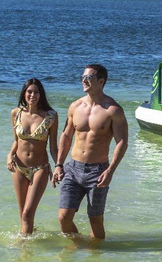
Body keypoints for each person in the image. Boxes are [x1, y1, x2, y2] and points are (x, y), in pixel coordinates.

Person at [53, 64, 128, 240]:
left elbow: (122, 142)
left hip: (98, 171)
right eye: (82, 77)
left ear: (101, 81)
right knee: (63, 218)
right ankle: (76, 247)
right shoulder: (75, 106)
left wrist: (110, 171)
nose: (83, 80)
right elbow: (66, 136)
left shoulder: (113, 110)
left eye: (88, 78)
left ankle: (96, 260)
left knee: (95, 220)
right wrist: (58, 164)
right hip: (73, 168)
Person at [7, 78, 59, 235]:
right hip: (19, 167)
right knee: (23, 214)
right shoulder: (15, 114)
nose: (32, 95)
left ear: (41, 95)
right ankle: (28, 250)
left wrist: (58, 166)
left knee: (27, 214)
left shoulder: (51, 116)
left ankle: (23, 250)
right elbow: (16, 141)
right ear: (24, 93)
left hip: (40, 168)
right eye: (29, 92)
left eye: (36, 92)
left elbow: (53, 147)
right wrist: (9, 155)